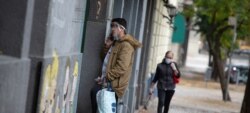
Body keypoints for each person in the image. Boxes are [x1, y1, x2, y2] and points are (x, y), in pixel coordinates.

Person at [90, 18, 142, 113]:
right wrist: (107, 46)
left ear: (121, 28)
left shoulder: (126, 46)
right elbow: (103, 58)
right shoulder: (116, 43)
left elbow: (121, 67)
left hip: (114, 84)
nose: (112, 28)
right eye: (111, 26)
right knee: (100, 102)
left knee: (99, 99)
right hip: (106, 81)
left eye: (115, 26)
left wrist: (106, 77)